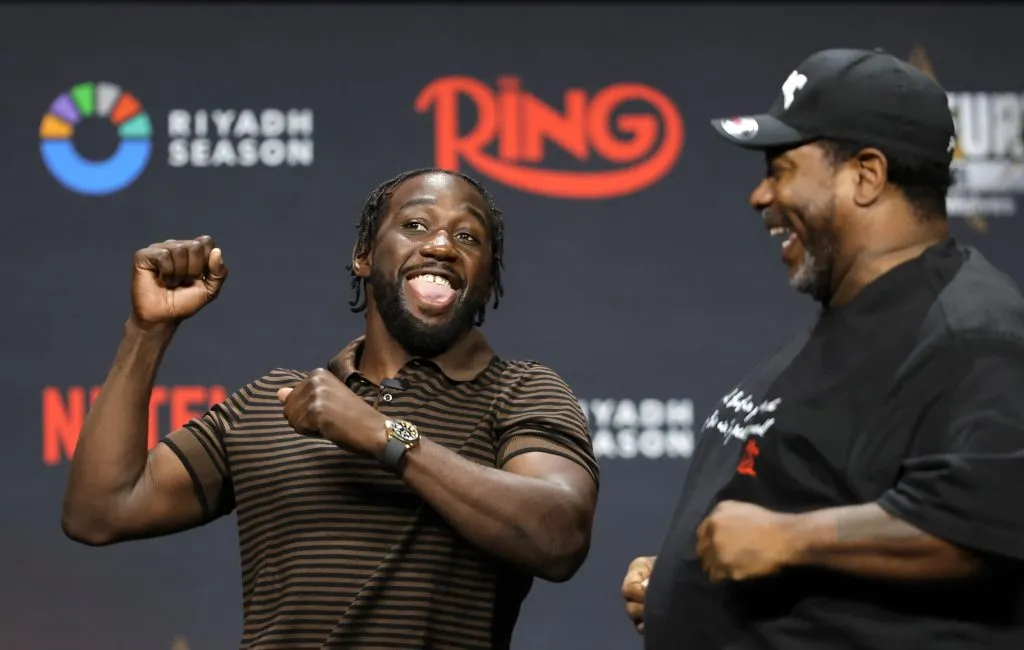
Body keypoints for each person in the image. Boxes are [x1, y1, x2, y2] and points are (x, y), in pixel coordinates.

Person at [62, 168, 600, 649]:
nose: (440, 245)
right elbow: (101, 511)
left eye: (467, 236)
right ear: (364, 255)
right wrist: (148, 331)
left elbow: (559, 537)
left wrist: (384, 435)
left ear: (488, 281)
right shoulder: (270, 403)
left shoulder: (519, 390)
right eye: (415, 225)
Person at [622, 48, 1024, 649]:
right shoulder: (850, 320)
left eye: (780, 169)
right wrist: (690, 581)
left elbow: (987, 524)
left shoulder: (970, 331)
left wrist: (790, 540)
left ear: (866, 174)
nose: (761, 197)